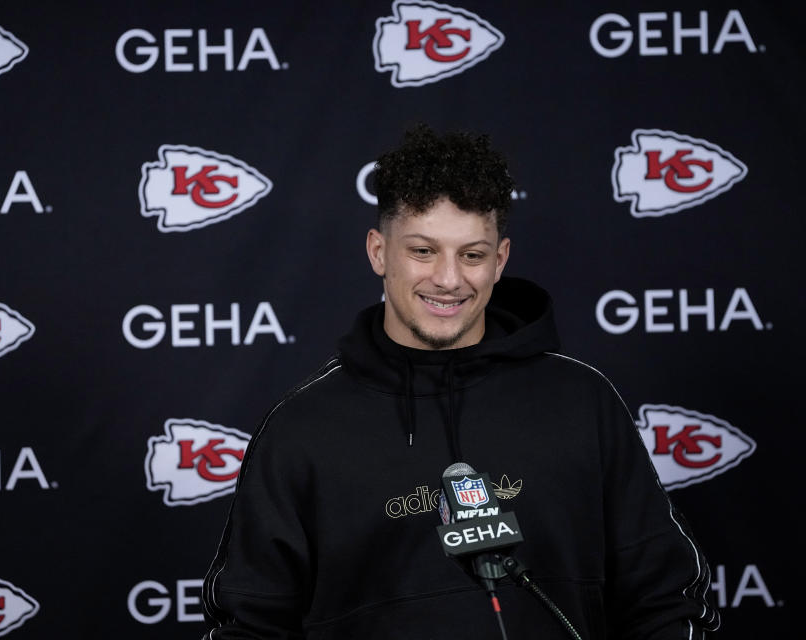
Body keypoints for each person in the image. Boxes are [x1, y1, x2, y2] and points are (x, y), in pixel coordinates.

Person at [201, 124, 719, 639]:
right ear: (379, 252)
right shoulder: (301, 430)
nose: (449, 279)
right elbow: (249, 626)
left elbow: (667, 599)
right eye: (423, 251)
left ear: (500, 260)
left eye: (471, 255)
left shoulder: (582, 400)